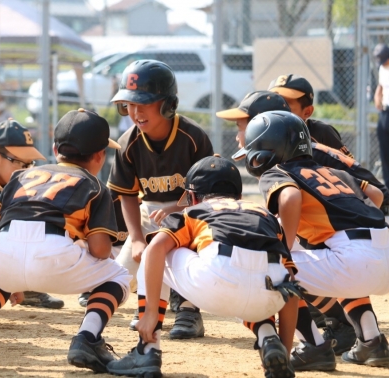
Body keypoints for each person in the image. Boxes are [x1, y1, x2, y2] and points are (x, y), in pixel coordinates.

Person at [0, 109, 131, 373]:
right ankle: (87, 338)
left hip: (5, 246)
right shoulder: (94, 185)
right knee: (118, 276)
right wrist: (78, 246)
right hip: (54, 254)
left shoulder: (21, 176)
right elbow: (101, 250)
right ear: (100, 156)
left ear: (56, 149)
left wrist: (17, 249)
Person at [108, 155, 300, 378]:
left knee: (159, 250)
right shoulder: (265, 215)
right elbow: (291, 282)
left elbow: (154, 251)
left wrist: (151, 313)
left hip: (218, 282)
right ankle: (268, 335)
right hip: (268, 297)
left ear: (192, 196)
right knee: (261, 275)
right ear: (238, 195)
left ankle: (147, 349)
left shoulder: (193, 211)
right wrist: (285, 351)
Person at [236, 110, 389, 369]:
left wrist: (284, 252)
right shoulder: (331, 171)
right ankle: (371, 340)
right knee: (331, 256)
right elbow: (375, 194)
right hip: (380, 252)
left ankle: (313, 345)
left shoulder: (276, 171)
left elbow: (290, 198)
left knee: (267, 267)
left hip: (352, 260)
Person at [107, 59, 214, 339]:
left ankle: (190, 309)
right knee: (120, 273)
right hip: (149, 214)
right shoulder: (128, 142)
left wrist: (175, 207)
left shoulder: (193, 138)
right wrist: (138, 238)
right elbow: (128, 197)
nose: (135, 112)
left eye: (144, 103)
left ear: (168, 105)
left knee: (192, 258)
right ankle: (149, 303)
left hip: (192, 212)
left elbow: (207, 193)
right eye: (129, 104)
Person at [0, 119, 63, 309]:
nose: (25, 170)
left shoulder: (19, 183)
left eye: (29, 163)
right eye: (18, 162)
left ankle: (25, 285)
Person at [267, 74, 353, 157]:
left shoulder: (322, 133)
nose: (277, 107)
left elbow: (351, 169)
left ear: (307, 112)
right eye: (274, 101)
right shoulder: (262, 132)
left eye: (285, 103)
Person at [374, 44, 389, 186]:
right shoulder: (382, 68)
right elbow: (381, 85)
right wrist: (377, 95)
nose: (383, 63)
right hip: (385, 113)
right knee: (384, 151)